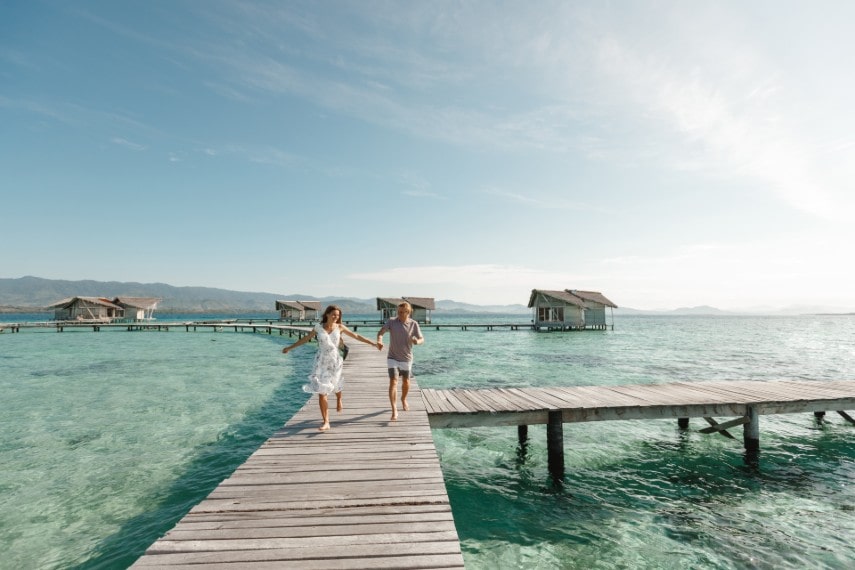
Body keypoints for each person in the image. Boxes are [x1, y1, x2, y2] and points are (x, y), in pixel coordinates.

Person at [282, 305, 381, 431]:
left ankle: (339, 398)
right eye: (334, 314)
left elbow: (356, 336)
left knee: (335, 384)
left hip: (335, 361)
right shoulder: (318, 327)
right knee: (322, 391)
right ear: (327, 314)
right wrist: (290, 348)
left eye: (338, 315)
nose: (336, 317)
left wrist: (373, 343)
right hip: (321, 362)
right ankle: (326, 422)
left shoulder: (340, 327)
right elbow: (305, 339)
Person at [376, 301, 424, 421]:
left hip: (406, 358)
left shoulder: (414, 324)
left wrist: (416, 341)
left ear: (408, 312)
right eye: (399, 312)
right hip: (392, 357)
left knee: (406, 382)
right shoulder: (392, 321)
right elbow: (381, 332)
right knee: (393, 381)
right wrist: (380, 340)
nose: (400, 314)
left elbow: (421, 338)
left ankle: (403, 399)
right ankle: (394, 410)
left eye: (403, 312)